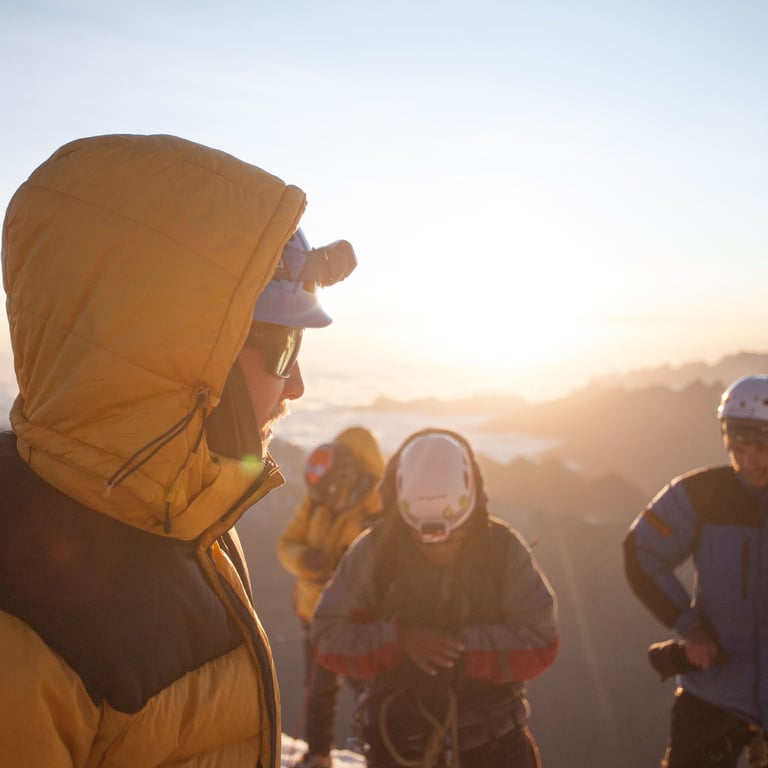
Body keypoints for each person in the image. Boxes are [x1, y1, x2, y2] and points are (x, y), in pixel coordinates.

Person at [0, 133, 356, 767]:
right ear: (190, 354)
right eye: (284, 348)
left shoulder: (194, 513)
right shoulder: (20, 641)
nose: (297, 384)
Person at [310, 428, 559, 768]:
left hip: (495, 745)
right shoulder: (375, 554)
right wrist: (399, 640)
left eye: (454, 532)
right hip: (400, 743)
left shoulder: (502, 550)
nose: (440, 545)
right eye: (423, 533)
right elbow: (327, 636)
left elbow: (541, 641)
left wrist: (459, 648)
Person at [623, 374, 768, 768]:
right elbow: (640, 552)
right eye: (738, 449)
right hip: (713, 695)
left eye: (761, 448)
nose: (749, 462)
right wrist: (690, 626)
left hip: (713, 690)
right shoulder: (700, 495)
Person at [278, 426, 386, 767]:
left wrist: (345, 575)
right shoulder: (318, 498)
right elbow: (287, 544)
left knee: (371, 693)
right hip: (314, 613)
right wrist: (306, 561)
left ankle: (385, 756)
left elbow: (387, 565)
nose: (326, 499)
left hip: (357, 620)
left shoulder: (377, 507)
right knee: (319, 689)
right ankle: (319, 755)